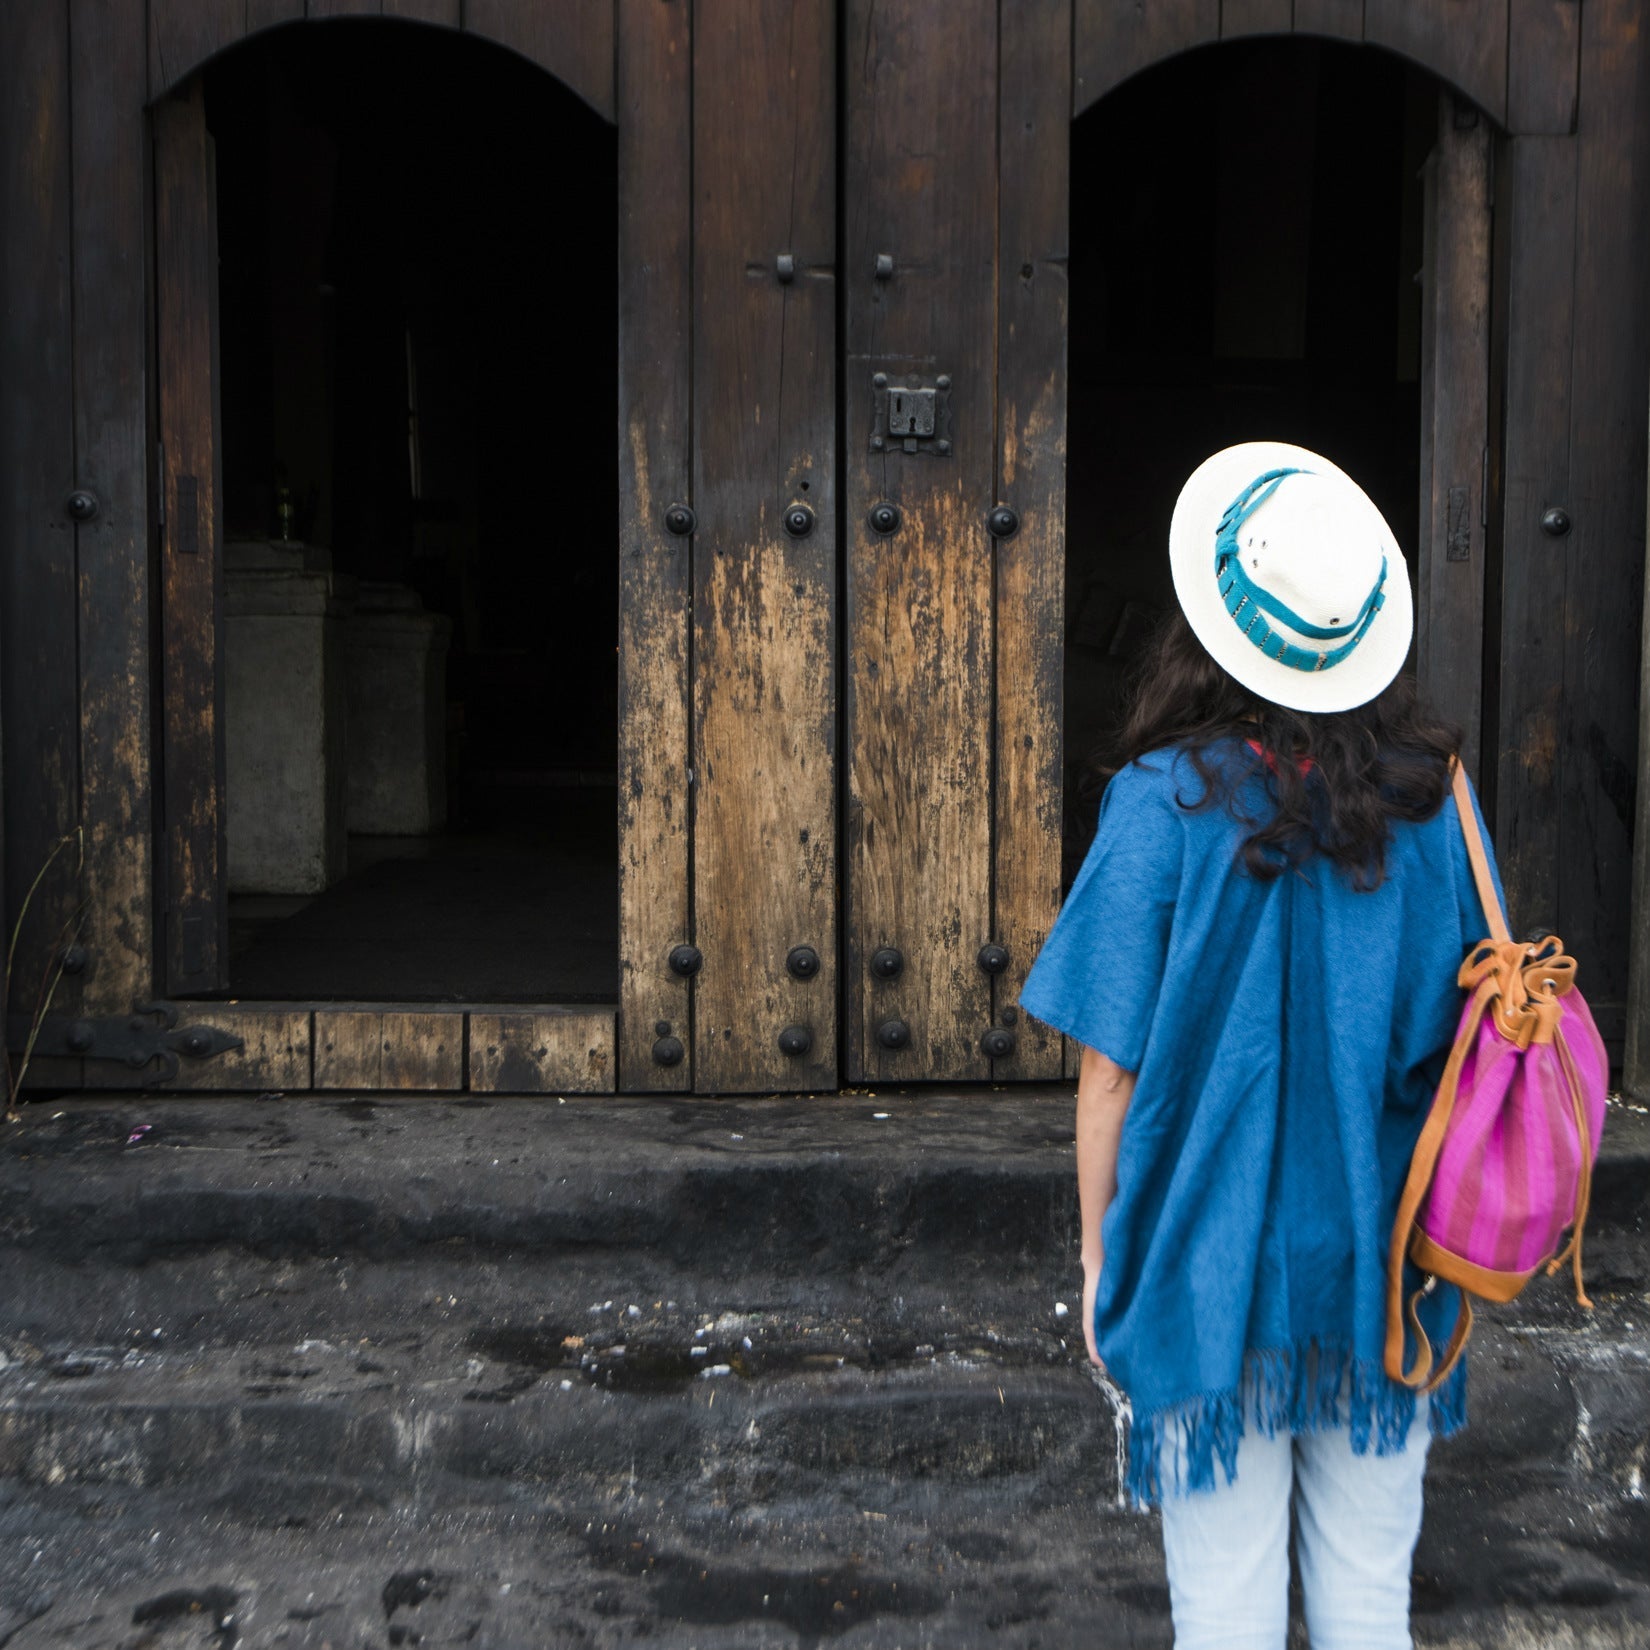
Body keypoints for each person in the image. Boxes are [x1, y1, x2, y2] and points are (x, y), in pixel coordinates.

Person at [1020, 442, 1504, 1650]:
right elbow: (1455, 1036)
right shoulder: (1433, 801)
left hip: (1203, 1257)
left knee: (1223, 1623)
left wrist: (1098, 1257)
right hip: (1386, 1252)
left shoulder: (1161, 801)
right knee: (1367, 1615)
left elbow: (1111, 1073)